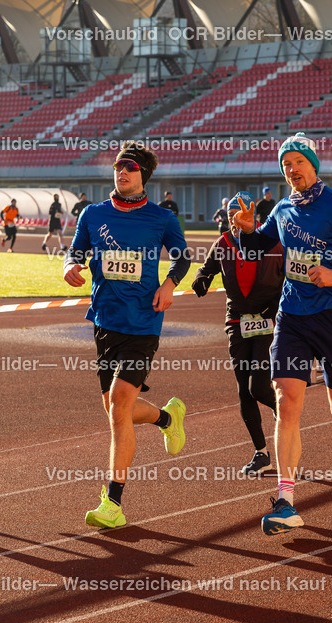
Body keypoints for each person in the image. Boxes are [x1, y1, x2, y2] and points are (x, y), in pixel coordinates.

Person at [231, 132, 332, 536]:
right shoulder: (284, 209)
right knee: (287, 403)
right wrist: (246, 231)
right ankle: (286, 501)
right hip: (292, 316)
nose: (292, 169)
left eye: (299, 162)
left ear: (313, 165)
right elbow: (259, 245)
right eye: (286, 164)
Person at [64, 142, 191, 529]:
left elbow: (182, 255)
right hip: (105, 320)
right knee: (115, 408)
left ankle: (113, 501)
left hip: (143, 323)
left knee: (119, 404)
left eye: (130, 168)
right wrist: (70, 267)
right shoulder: (93, 214)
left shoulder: (161, 217)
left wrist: (169, 284)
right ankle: (167, 417)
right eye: (118, 167)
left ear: (143, 176)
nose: (122, 173)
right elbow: (75, 251)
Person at [192, 192, 284, 475]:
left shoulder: (273, 244)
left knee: (258, 387)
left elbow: (290, 279)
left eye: (241, 215)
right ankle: (261, 453)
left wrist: (277, 309)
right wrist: (201, 280)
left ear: (254, 217)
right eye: (232, 215)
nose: (236, 221)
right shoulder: (222, 244)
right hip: (236, 323)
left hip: (267, 321)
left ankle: (286, 416)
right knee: (244, 391)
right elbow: (205, 270)